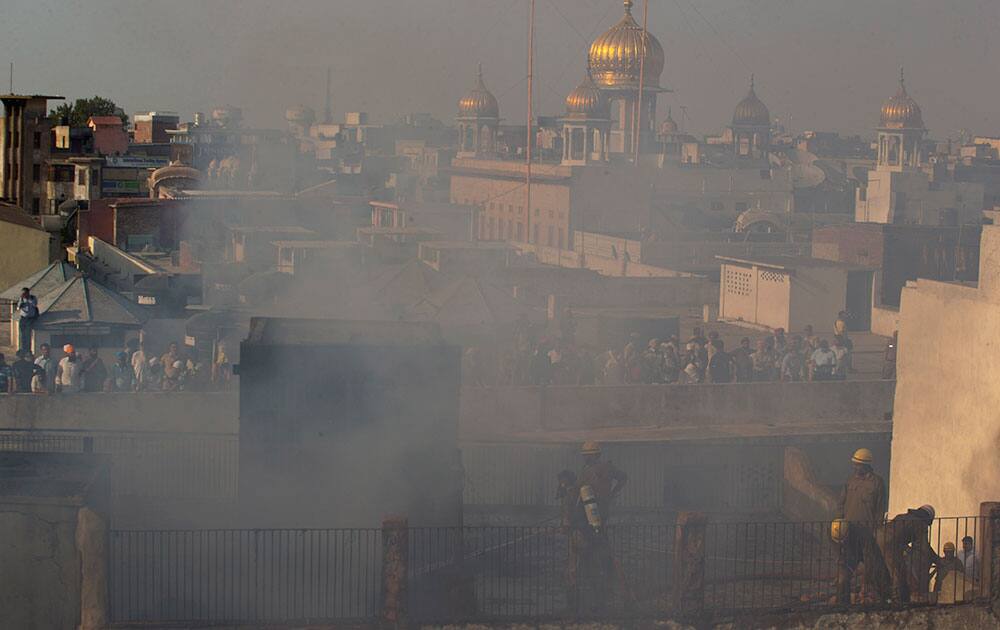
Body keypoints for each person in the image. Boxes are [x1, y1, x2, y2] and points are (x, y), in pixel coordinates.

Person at [834, 448, 889, 604]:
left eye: (858, 465)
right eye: (854, 464)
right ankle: (842, 603)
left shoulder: (877, 483)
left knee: (871, 569)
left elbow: (880, 509)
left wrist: (876, 529)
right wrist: (839, 525)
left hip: (867, 534)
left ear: (866, 465)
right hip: (849, 533)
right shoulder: (850, 481)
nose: (855, 468)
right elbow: (841, 505)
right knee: (845, 569)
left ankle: (872, 600)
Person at [557, 469, 611, 614]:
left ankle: (573, 606)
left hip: (577, 536)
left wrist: (564, 528)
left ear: (565, 481)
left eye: (561, 481)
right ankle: (599, 604)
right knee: (592, 569)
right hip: (590, 536)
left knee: (572, 570)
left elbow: (567, 521)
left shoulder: (570, 495)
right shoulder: (584, 494)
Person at [883, 505, 938, 604]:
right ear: (928, 518)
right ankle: (896, 601)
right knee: (897, 574)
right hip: (890, 547)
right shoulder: (920, 523)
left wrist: (905, 548)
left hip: (877, 540)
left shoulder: (902, 516)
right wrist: (937, 560)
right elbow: (923, 546)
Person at [579, 441, 627, 524]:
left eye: (590, 455)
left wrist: (613, 493)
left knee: (597, 529)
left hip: (600, 505)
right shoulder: (585, 469)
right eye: (585, 455)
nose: (587, 458)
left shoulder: (607, 467)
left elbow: (623, 477)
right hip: (585, 505)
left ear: (597, 455)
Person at [15, 287, 39, 352]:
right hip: (23, 318)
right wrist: (22, 300)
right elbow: (18, 308)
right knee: (23, 335)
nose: (24, 294)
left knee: (28, 334)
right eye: (23, 293)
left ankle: (28, 349)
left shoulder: (33, 298)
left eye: (25, 293)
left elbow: (35, 304)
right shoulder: (21, 299)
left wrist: (28, 299)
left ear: (28, 293)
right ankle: (23, 348)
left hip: (30, 319)